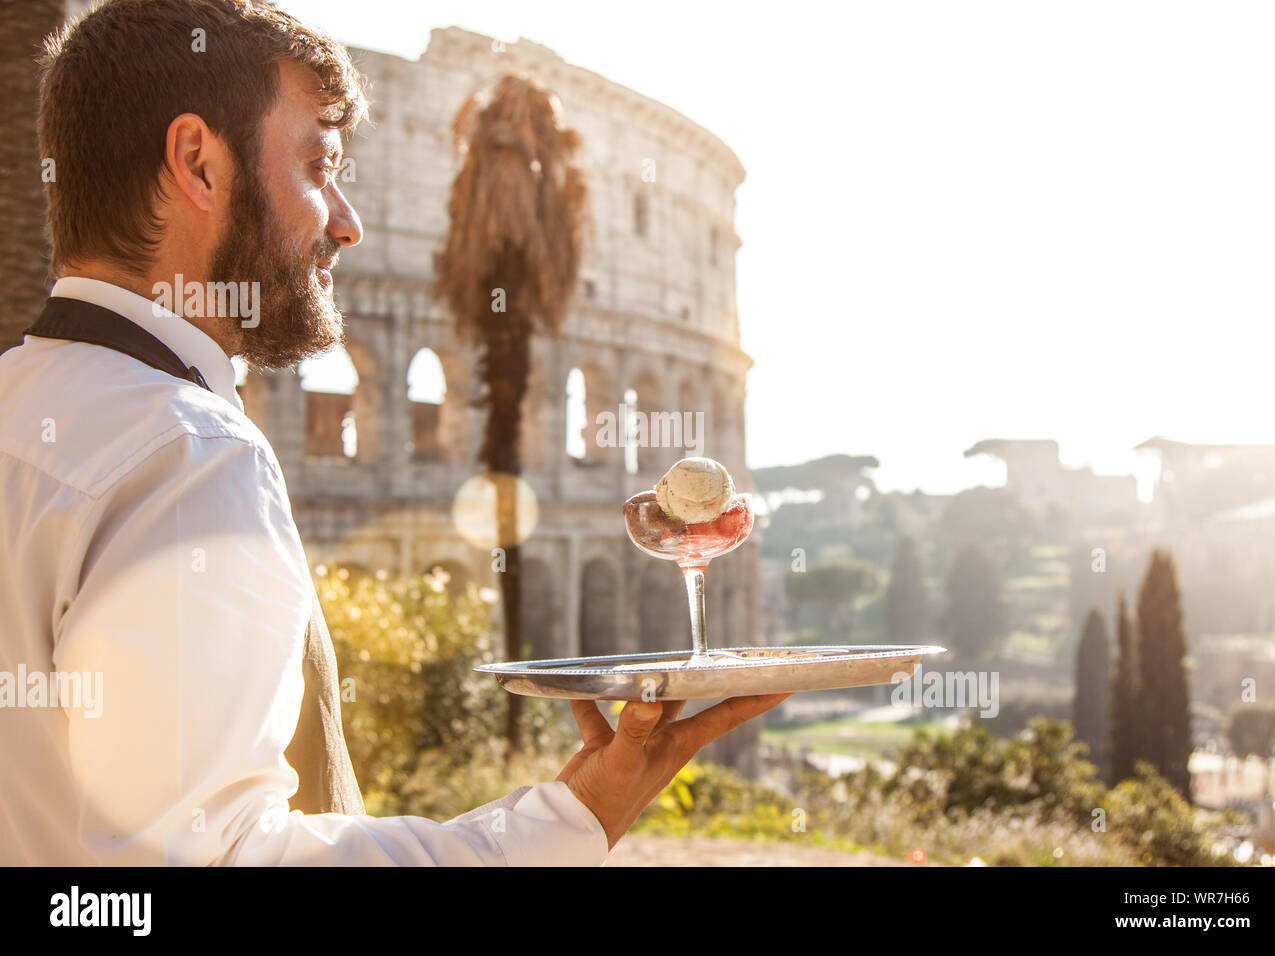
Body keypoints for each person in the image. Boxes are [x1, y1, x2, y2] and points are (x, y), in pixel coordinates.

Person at [0, 0, 786, 866]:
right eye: (318, 167)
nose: (347, 221)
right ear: (199, 164)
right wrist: (574, 818)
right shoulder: (189, 459)